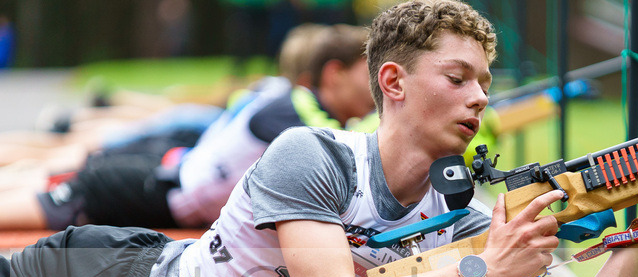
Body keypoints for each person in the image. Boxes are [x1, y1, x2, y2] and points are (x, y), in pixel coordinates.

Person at [0, 0, 638, 277]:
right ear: (392, 83)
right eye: (458, 78)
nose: (479, 99)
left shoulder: (460, 217)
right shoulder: (311, 154)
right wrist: (485, 267)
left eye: (485, 84)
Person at [0, 23, 375, 234]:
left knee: (41, 177)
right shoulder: (298, 115)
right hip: (144, 188)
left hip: (159, 180)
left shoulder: (290, 100)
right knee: (31, 199)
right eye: (369, 74)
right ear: (332, 74)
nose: (377, 88)